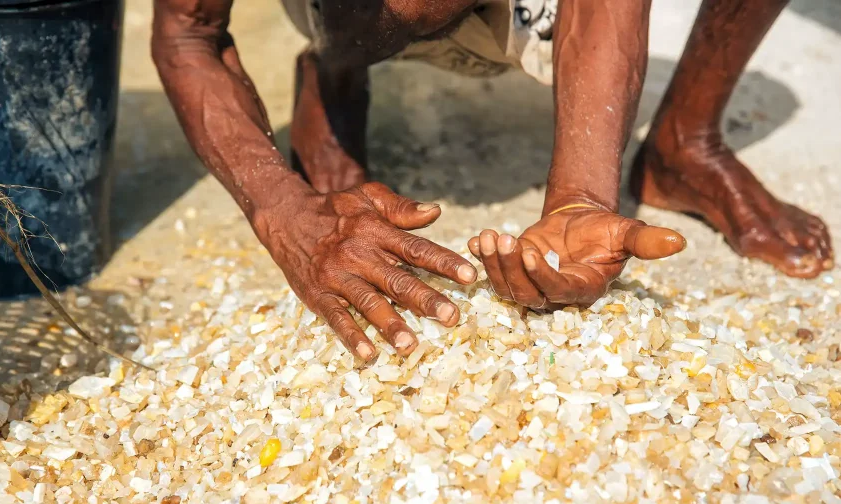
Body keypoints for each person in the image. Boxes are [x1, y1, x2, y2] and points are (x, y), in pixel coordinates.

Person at [152, 0, 832, 360]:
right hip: (342, 12)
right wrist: (283, 208)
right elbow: (188, 32)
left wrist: (579, 194)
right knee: (400, 8)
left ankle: (688, 138)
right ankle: (335, 72)